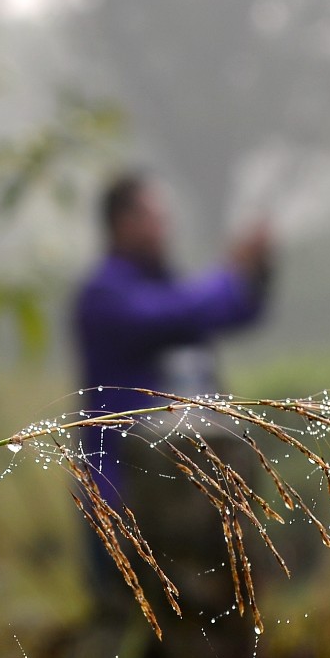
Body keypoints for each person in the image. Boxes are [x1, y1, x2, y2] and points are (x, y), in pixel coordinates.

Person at [74, 171, 275, 507]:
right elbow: (178, 313)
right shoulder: (104, 294)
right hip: (120, 488)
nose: (166, 229)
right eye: (156, 218)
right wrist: (234, 270)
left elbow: (233, 312)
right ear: (124, 223)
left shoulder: (159, 282)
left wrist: (258, 272)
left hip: (179, 489)